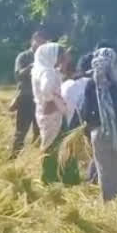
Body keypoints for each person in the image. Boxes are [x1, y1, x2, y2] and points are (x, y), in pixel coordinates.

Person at [80, 48, 117, 201]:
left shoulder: (92, 83)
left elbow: (86, 111)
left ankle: (106, 200)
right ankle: (115, 198)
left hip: (99, 131)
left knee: (103, 168)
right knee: (116, 167)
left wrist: (90, 128)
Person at [31, 43, 70, 184]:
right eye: (61, 56)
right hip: (52, 113)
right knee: (55, 145)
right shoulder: (47, 72)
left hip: (43, 112)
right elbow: (47, 89)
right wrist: (53, 100)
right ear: (52, 56)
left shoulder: (39, 69)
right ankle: (52, 178)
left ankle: (50, 177)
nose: (62, 59)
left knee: (51, 143)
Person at [10, 29, 48, 158]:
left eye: (43, 42)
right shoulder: (24, 56)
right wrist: (30, 67)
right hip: (26, 98)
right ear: (32, 41)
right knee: (21, 131)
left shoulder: (46, 58)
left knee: (39, 132)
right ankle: (13, 158)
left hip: (41, 99)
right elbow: (18, 75)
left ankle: (35, 159)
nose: (39, 44)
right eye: (37, 41)